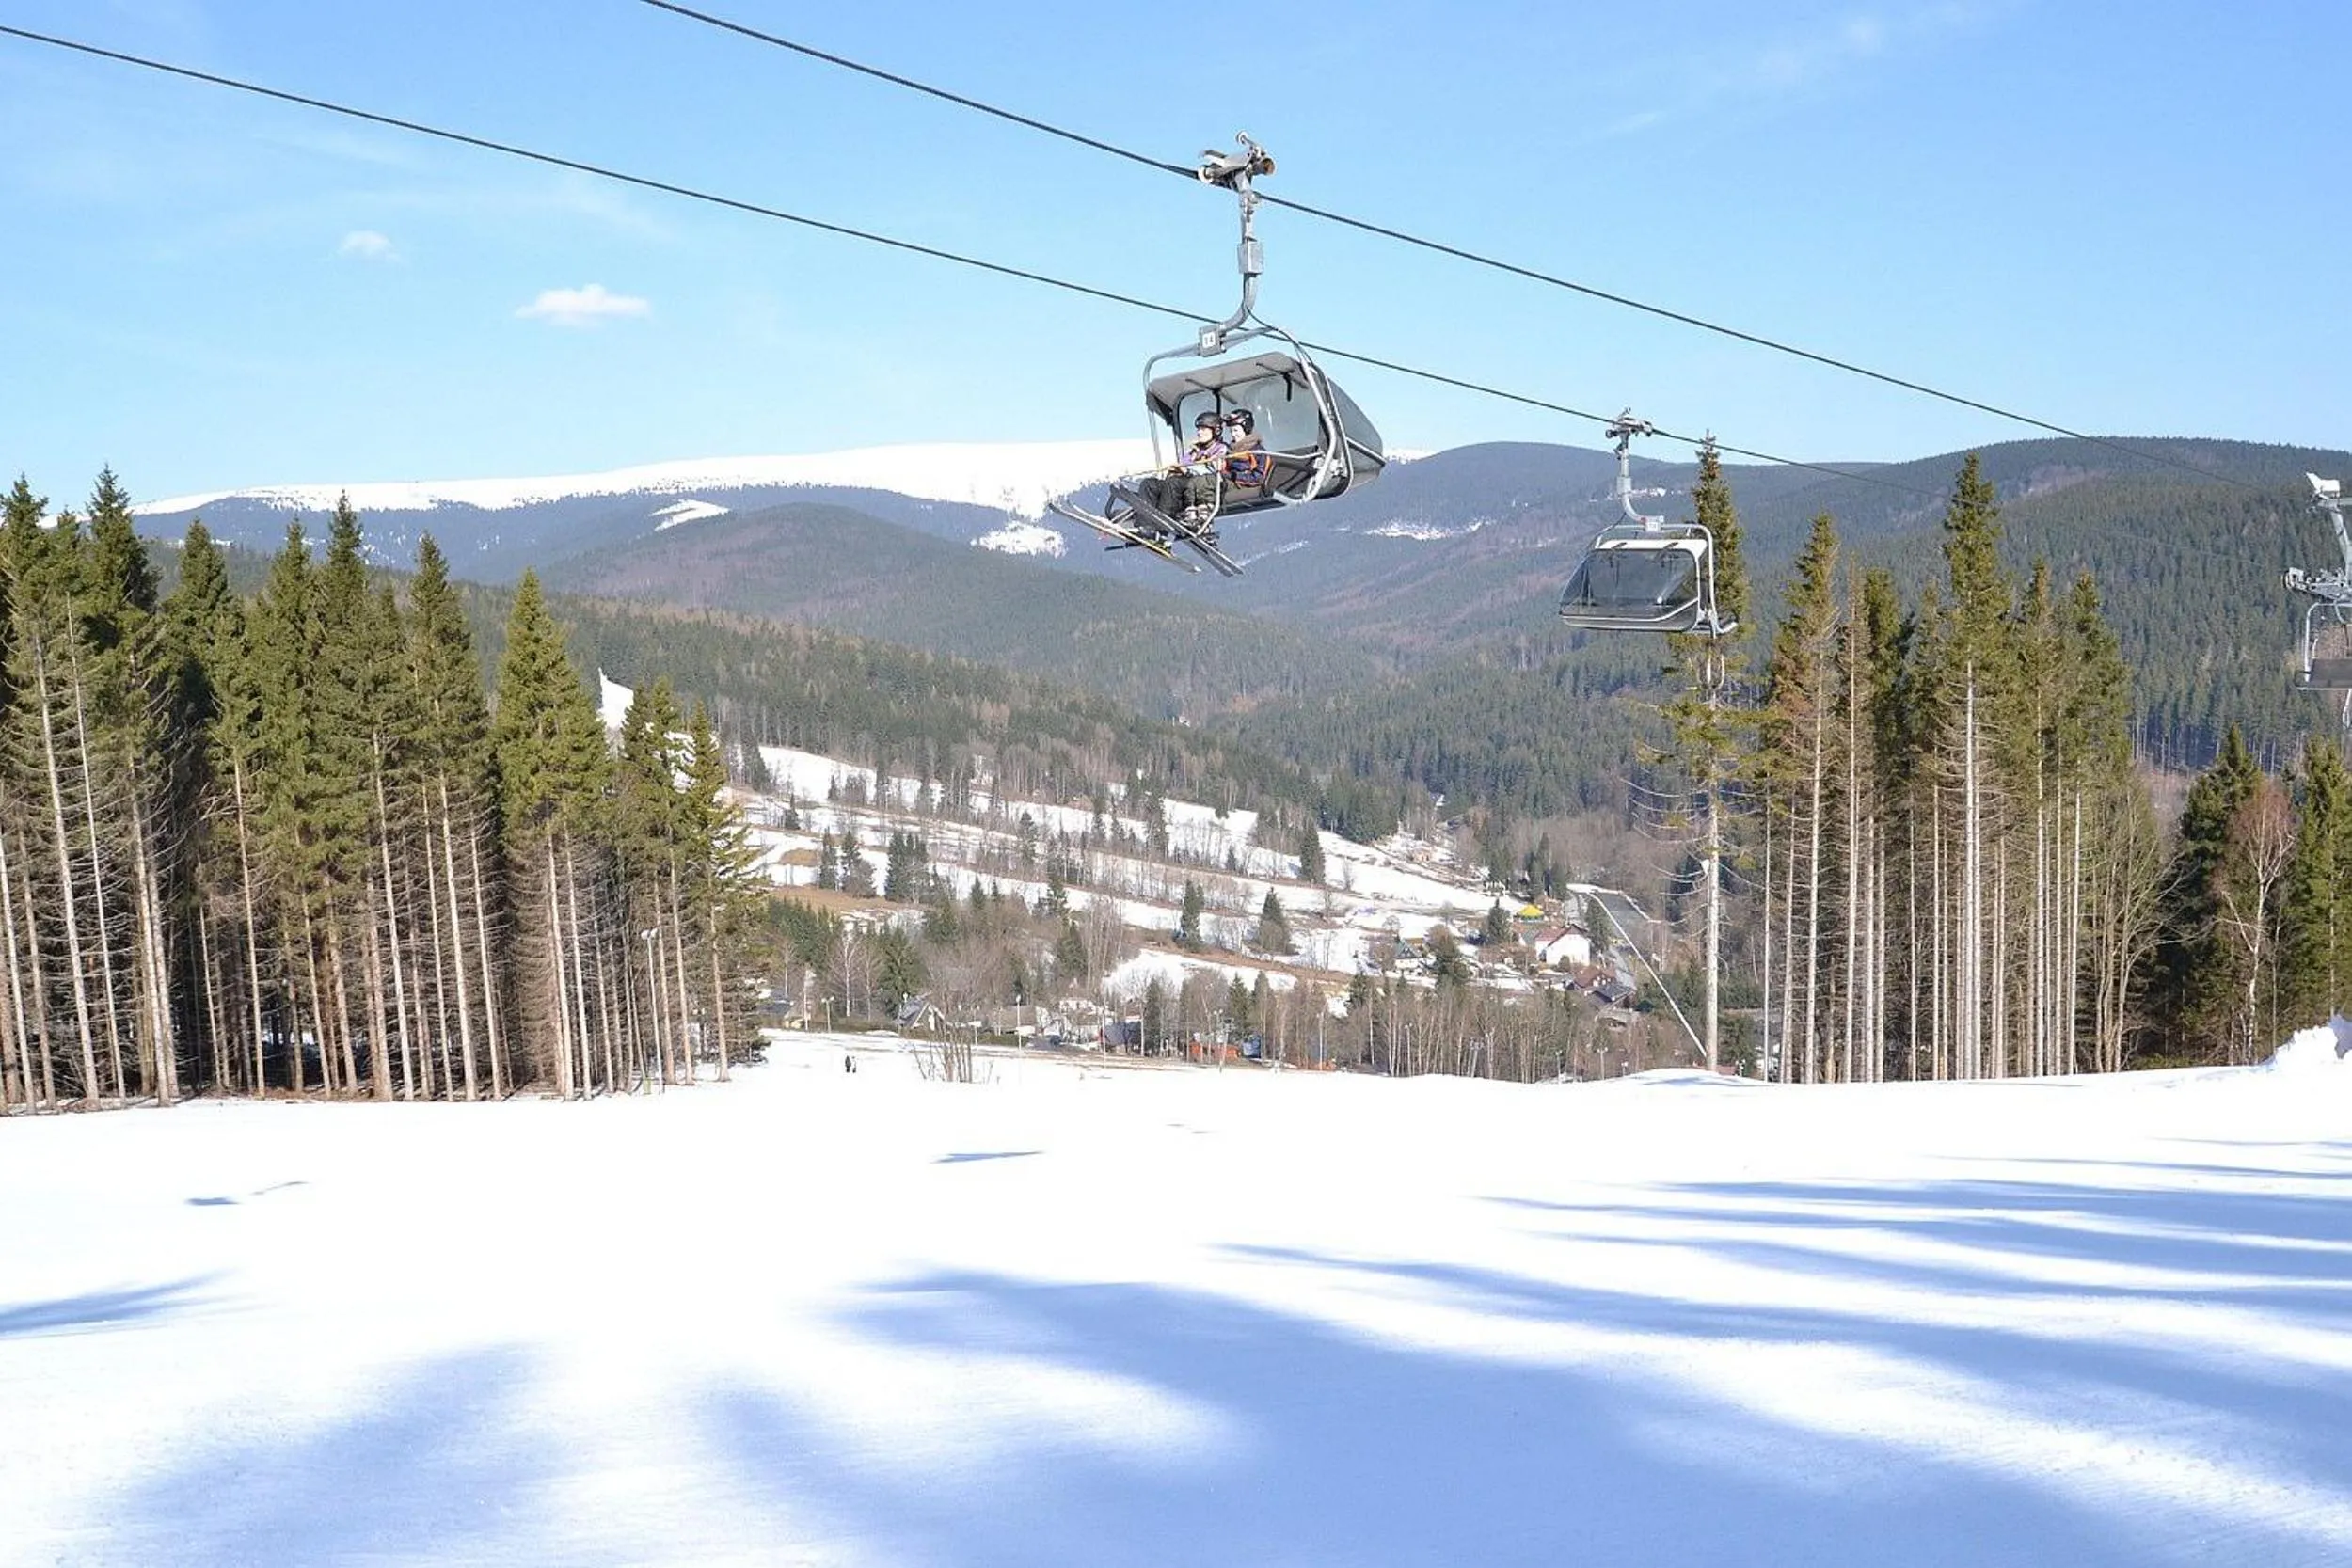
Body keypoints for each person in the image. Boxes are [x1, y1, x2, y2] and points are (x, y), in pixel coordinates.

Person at [1132, 411, 1227, 535]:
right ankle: (1144, 525)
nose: (1199, 432)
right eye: (1198, 429)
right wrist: (1177, 468)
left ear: (1216, 431)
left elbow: (1213, 470)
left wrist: (1187, 470)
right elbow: (1183, 463)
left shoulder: (1220, 449)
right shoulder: (1194, 450)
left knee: (1173, 483)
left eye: (1204, 429)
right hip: (1183, 481)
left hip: (1198, 484)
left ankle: (1161, 529)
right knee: (1149, 484)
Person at [1221, 407, 1273, 494]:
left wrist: (1233, 476)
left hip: (1243, 488)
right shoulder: (1229, 450)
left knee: (1210, 483)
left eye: (1236, 430)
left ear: (1246, 429)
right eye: (1231, 431)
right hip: (1229, 484)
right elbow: (1225, 469)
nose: (1233, 435)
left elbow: (1258, 478)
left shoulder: (1257, 451)